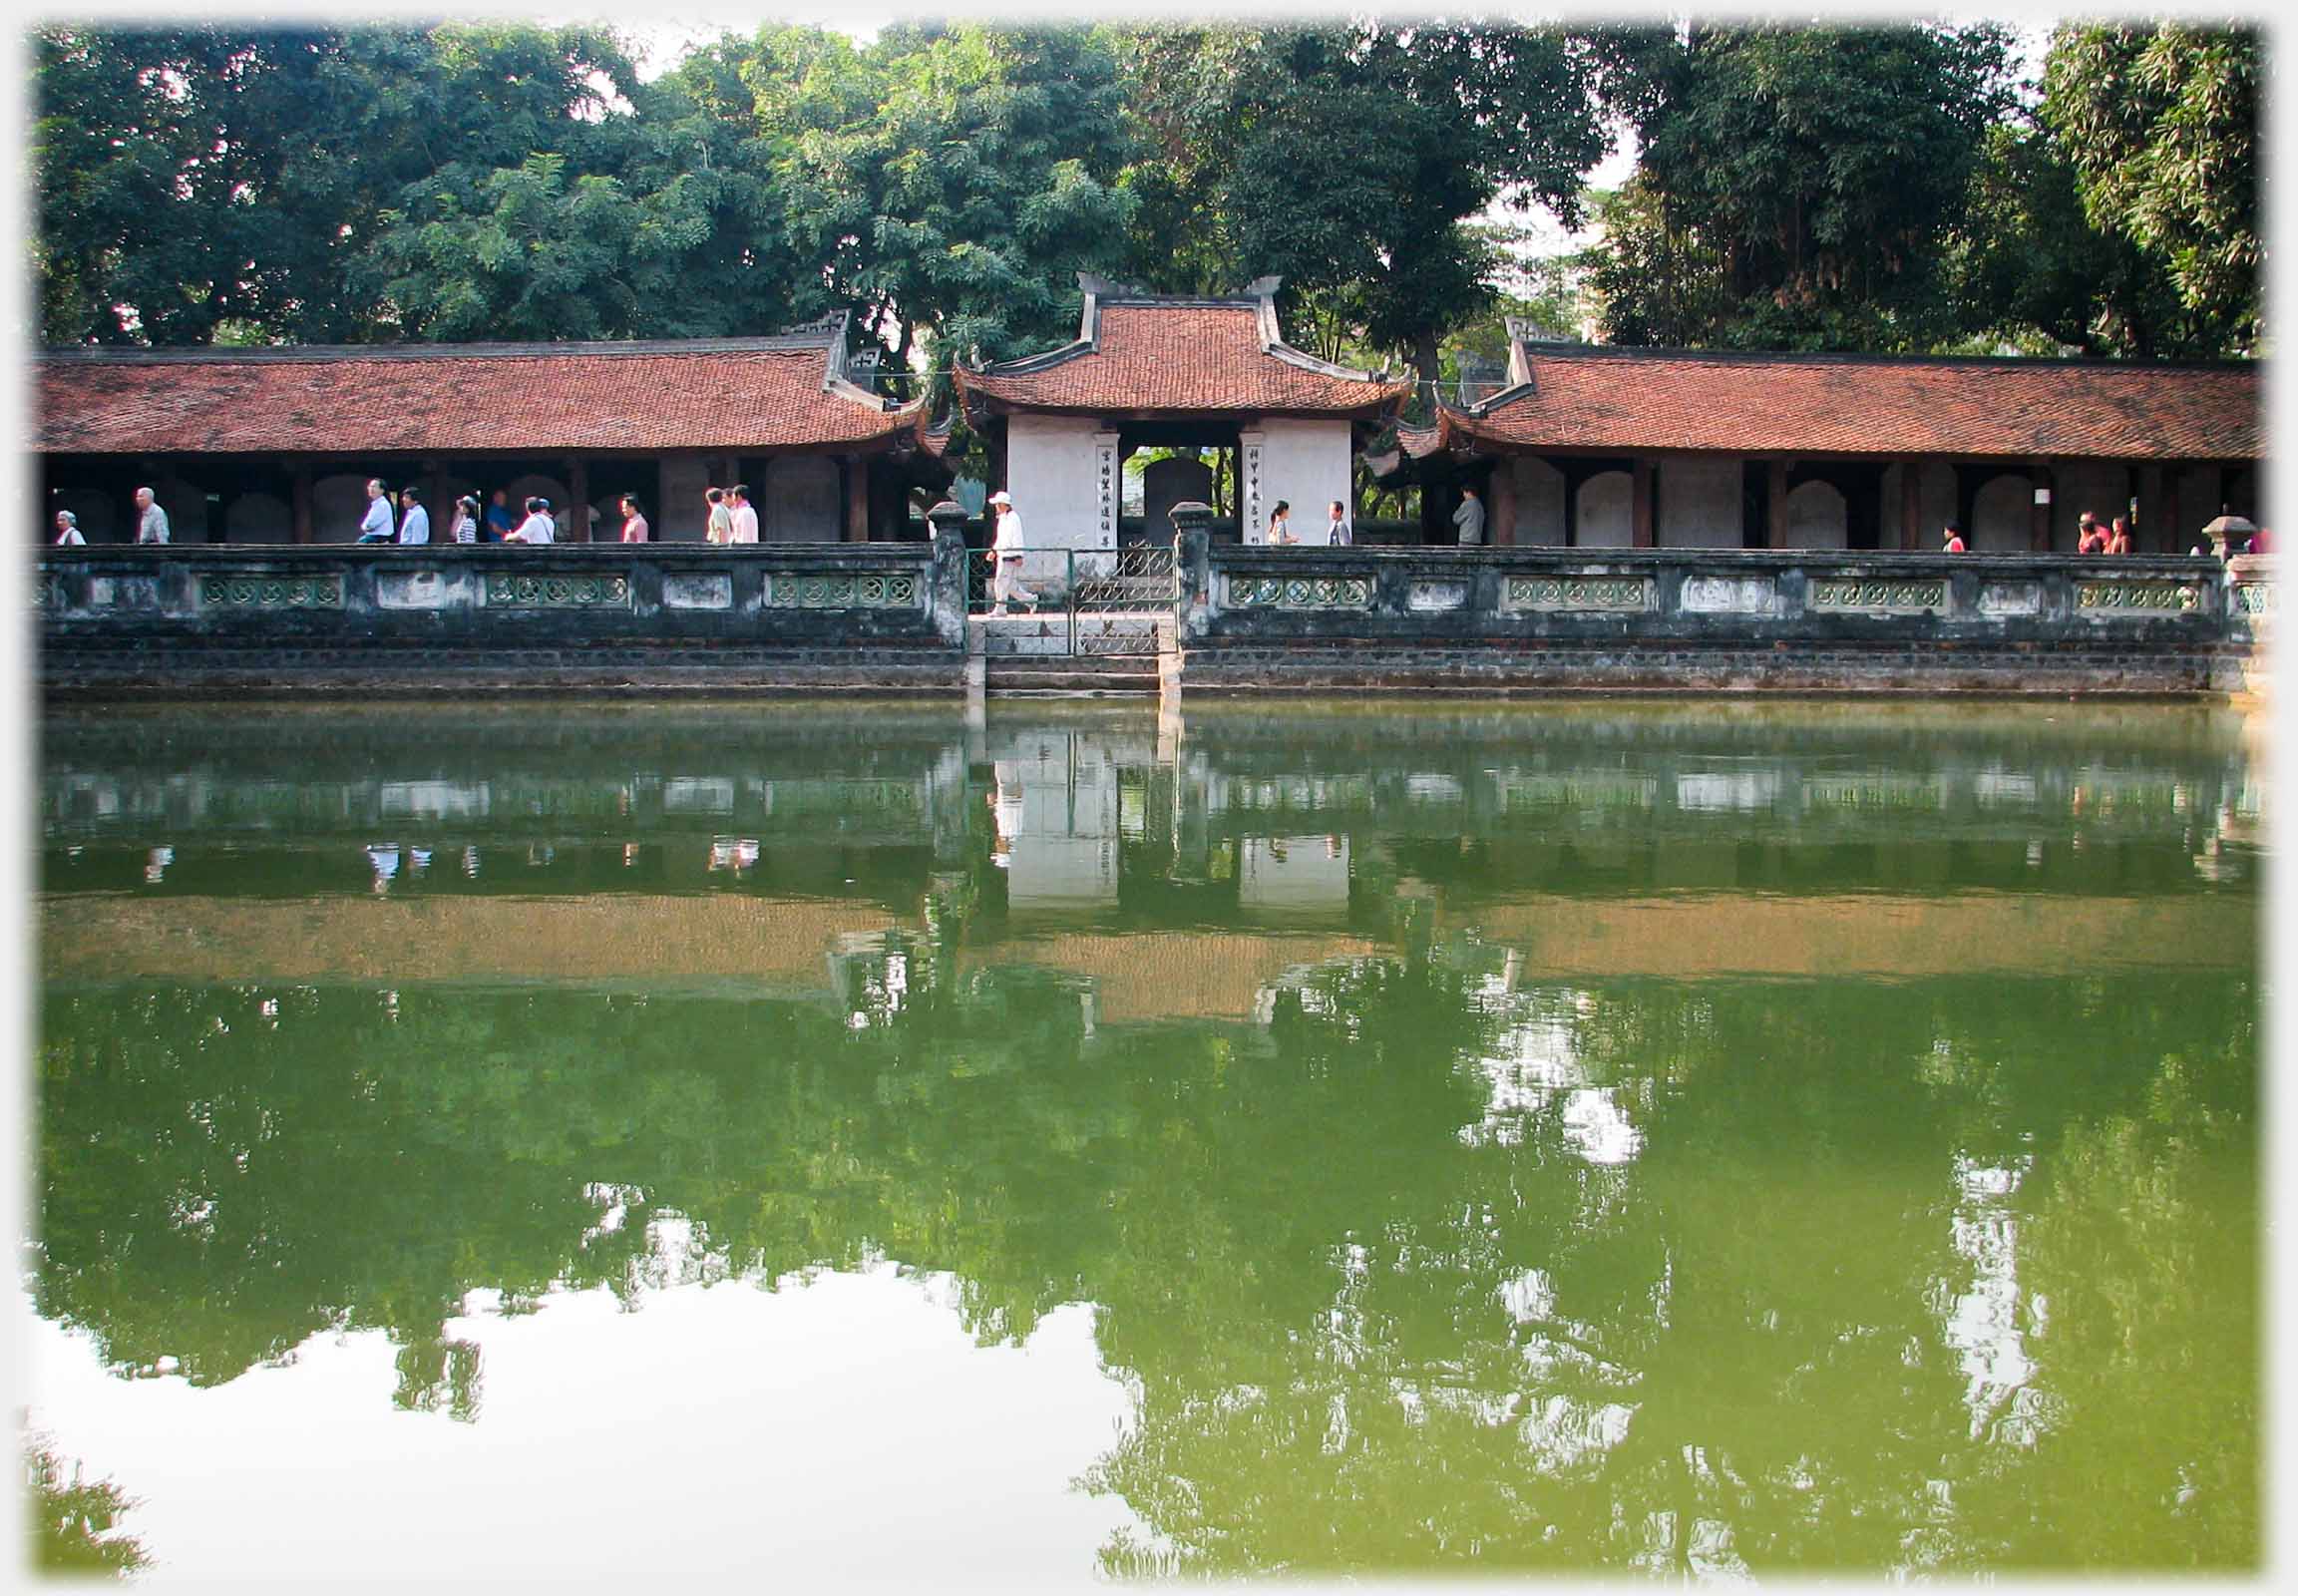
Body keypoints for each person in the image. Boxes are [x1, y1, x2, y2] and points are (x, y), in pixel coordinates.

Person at [987, 489, 1037, 615]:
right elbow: (1001, 538)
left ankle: (1001, 609)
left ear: (1004, 505)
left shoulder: (1013, 518)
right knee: (1010, 585)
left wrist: (1018, 554)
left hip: (1009, 556)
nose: (996, 507)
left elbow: (1017, 537)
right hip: (1003, 554)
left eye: (998, 505)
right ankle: (1030, 600)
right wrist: (994, 550)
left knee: (1001, 582)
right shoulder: (1003, 518)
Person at [354, 479, 393, 543]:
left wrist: (365, 527)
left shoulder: (383, 505)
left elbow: (370, 525)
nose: (371, 489)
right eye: (370, 486)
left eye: (374, 486)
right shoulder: (376, 504)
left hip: (378, 539)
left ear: (382, 490)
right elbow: (366, 525)